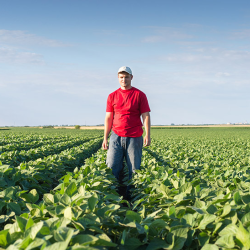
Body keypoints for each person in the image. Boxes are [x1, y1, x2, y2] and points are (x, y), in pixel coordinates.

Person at [102, 66, 151, 194]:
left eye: (126, 77)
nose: (124, 79)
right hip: (116, 136)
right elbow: (108, 118)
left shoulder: (140, 95)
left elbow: (146, 115)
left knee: (134, 170)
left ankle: (132, 198)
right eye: (121, 77)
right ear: (118, 78)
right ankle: (112, 196)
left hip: (134, 136)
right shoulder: (112, 96)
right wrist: (105, 138)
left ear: (131, 77)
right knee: (111, 167)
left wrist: (147, 134)